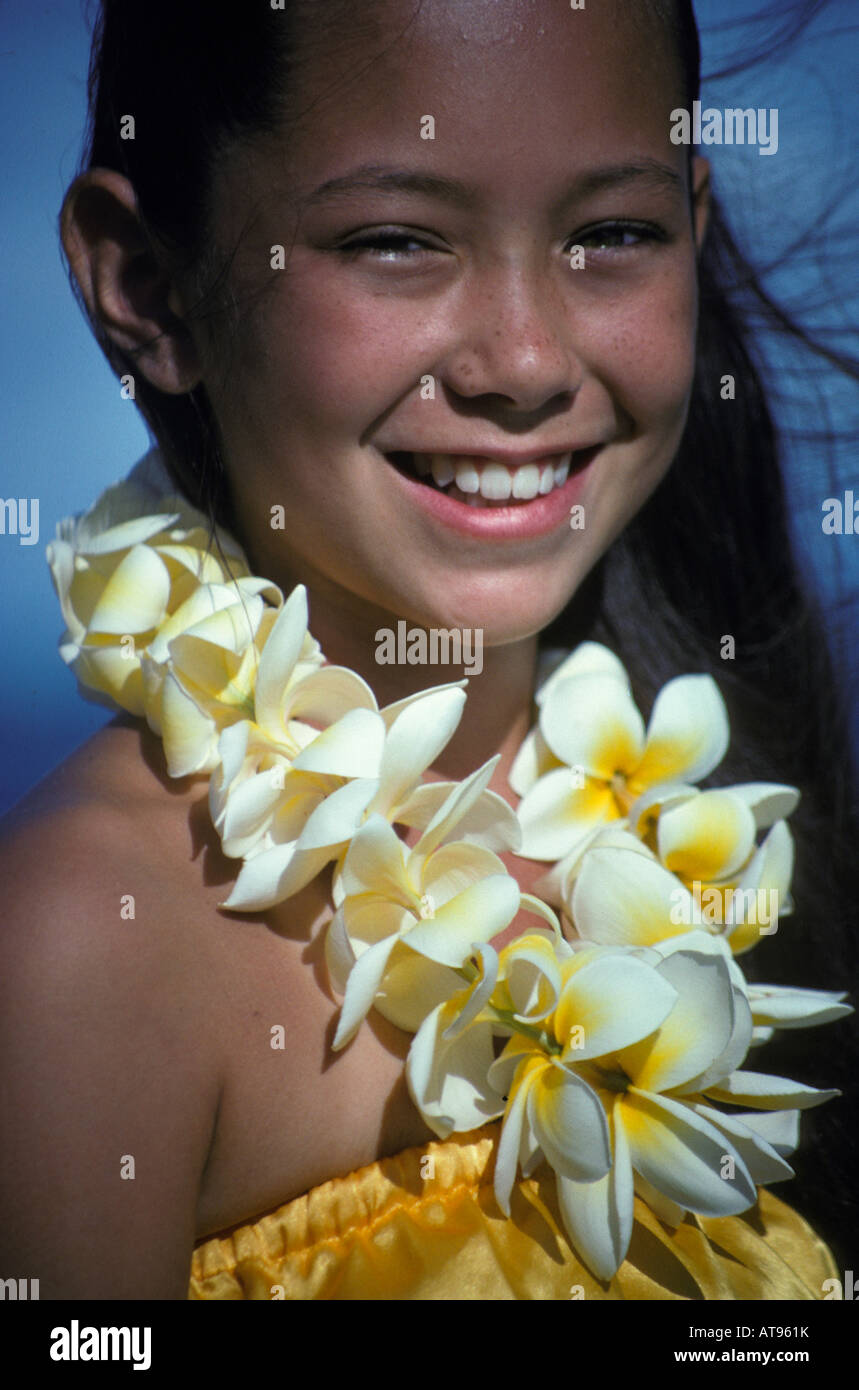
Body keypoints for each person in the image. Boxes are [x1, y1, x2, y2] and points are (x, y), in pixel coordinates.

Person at [0, 0, 855, 1301]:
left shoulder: (726, 831)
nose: (526, 360)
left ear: (694, 220)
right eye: (394, 240)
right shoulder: (84, 951)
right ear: (150, 288)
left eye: (613, 233)